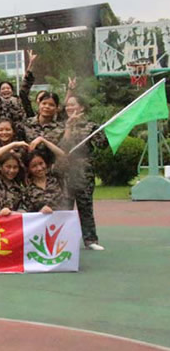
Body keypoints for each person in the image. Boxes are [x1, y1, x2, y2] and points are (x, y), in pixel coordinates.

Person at [59, 94, 107, 250]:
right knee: (64, 208)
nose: (69, 108)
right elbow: (60, 147)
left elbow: (102, 145)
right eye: (67, 105)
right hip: (64, 172)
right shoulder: (60, 126)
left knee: (85, 207)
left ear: (81, 108)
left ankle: (90, 240)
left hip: (83, 173)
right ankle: (62, 240)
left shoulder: (90, 126)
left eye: (73, 104)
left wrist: (102, 130)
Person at [22, 137, 68, 213]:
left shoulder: (56, 176)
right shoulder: (28, 189)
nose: (39, 168)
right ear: (29, 169)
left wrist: (43, 140)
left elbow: (62, 156)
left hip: (63, 219)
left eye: (41, 163)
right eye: (34, 166)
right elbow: (27, 214)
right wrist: (40, 212)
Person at [0, 141, 28, 215]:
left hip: (10, 222)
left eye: (15, 167)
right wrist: (14, 144)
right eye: (8, 167)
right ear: (1, 167)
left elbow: (23, 210)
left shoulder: (18, 188)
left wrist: (12, 213)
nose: (11, 170)